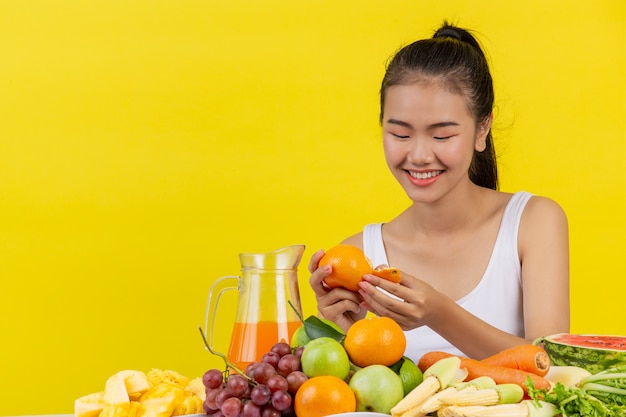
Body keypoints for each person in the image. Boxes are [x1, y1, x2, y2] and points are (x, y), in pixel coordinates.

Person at [308, 22, 570, 361]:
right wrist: (340, 334)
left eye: (442, 136)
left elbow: (556, 364)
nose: (418, 155)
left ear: (482, 129)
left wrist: (438, 313)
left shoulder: (532, 222)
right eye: (401, 135)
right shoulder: (359, 256)